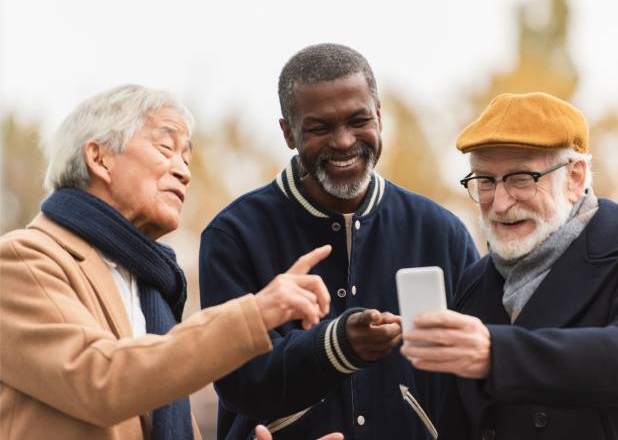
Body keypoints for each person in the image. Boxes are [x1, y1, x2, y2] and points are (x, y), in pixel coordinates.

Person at [0, 84, 338, 440]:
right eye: (166, 149)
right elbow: (100, 380)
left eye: (186, 159)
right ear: (98, 158)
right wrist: (254, 314)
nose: (184, 172)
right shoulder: (22, 261)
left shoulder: (151, 288)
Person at [199, 43, 479, 439]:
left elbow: (477, 381)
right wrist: (335, 345)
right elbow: (238, 380)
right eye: (320, 128)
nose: (344, 141)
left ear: (379, 116)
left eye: (358, 120)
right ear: (287, 133)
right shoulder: (235, 235)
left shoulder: (441, 231)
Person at [400, 92, 618, 440]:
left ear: (575, 177)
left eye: (520, 178)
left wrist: (496, 355)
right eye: (485, 181)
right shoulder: (475, 283)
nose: (499, 203)